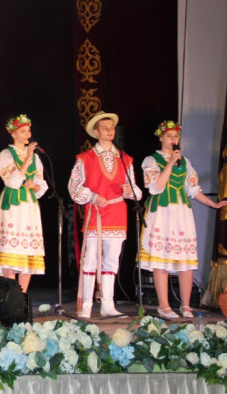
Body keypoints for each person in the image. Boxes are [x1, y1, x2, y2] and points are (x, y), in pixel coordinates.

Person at [139, 120, 227, 319]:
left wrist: (213, 204)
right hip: (162, 213)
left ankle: (186, 305)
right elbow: (156, 187)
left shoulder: (185, 162)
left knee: (186, 261)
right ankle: (164, 305)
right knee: (161, 260)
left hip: (181, 213)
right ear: (161, 138)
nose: (173, 140)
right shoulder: (151, 160)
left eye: (176, 136)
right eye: (169, 136)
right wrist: (170, 163)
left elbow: (193, 190)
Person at [68, 111, 141, 318]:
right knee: (90, 258)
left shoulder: (125, 159)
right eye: (105, 128)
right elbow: (73, 187)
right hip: (96, 214)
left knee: (111, 260)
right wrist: (92, 196)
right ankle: (87, 304)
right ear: (96, 132)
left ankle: (108, 304)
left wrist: (130, 191)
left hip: (117, 214)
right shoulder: (85, 159)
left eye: (112, 128)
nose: (110, 131)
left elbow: (136, 191)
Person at [0, 114, 47, 292]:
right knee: (10, 251)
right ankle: (11, 296)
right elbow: (12, 182)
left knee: (27, 253)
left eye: (28, 131)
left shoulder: (36, 158)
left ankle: (22, 296)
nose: (28, 134)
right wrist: (27, 158)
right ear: (13, 134)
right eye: (23, 131)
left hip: (29, 207)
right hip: (12, 207)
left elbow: (42, 186)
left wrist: (34, 185)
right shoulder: (6, 155)